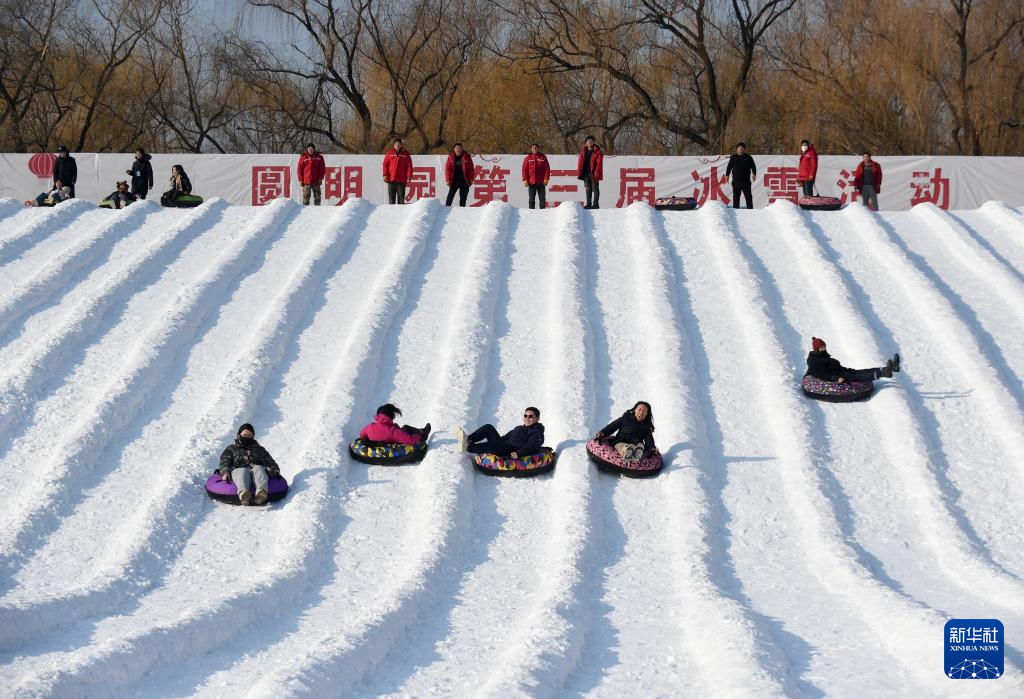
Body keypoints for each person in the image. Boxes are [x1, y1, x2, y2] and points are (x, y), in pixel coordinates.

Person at [218, 423, 281, 505]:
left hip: (256, 471)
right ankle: (244, 494)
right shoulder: (231, 449)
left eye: (249, 435)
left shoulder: (259, 449)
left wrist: (275, 469)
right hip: (239, 470)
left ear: (253, 436)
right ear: (238, 435)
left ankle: (261, 493)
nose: (246, 437)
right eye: (244, 435)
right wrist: (225, 471)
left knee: (259, 468)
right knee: (242, 470)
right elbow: (224, 460)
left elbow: (269, 460)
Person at [454, 407, 545, 459]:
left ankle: (468, 447)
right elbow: (506, 437)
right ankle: (467, 440)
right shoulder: (519, 428)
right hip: (504, 445)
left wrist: (518, 453)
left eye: (530, 416)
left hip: (512, 450)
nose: (527, 418)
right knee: (488, 427)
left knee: (492, 445)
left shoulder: (537, 433)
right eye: (525, 415)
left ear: (537, 419)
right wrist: (497, 441)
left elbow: (531, 446)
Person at [805, 337, 899, 384]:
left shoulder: (824, 356)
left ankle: (889, 368)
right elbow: (822, 374)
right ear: (816, 349)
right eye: (821, 348)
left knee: (860, 371)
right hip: (837, 376)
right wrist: (835, 378)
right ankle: (883, 373)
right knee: (856, 376)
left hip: (842, 371)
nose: (823, 349)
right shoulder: (814, 361)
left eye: (824, 347)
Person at [359, 403, 430, 444]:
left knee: (400, 428)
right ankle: (423, 432)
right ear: (391, 417)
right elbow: (410, 440)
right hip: (395, 441)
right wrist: (418, 436)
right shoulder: (392, 431)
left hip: (377, 444)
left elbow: (362, 434)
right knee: (406, 428)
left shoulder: (370, 427)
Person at [725, 142, 756, 209]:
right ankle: (735, 211)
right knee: (736, 198)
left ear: (744, 149)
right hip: (736, 182)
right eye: (739, 147)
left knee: (748, 197)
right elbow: (729, 167)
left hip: (746, 182)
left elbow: (753, 166)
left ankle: (750, 211)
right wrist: (727, 175)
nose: (740, 149)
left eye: (742, 147)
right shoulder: (733, 157)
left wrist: (754, 173)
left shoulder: (748, 157)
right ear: (737, 149)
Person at [383, 138, 413, 205]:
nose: (397, 145)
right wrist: (385, 175)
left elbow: (409, 166)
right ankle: (391, 214)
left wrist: (409, 176)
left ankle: (401, 214)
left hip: (401, 180)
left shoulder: (406, 154)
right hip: (391, 179)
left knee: (401, 200)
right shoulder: (389, 154)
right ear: (393, 145)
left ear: (401, 145)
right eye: (396, 143)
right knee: (391, 200)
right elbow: (385, 165)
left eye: (399, 143)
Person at [576, 135, 603, 209]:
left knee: (595, 188)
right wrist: (579, 171)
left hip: (594, 173)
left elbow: (599, 163)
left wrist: (597, 172)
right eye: (588, 141)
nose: (589, 142)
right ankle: (588, 204)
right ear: (586, 143)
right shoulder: (583, 151)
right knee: (588, 189)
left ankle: (595, 204)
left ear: (593, 142)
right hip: (585, 173)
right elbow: (580, 162)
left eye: (591, 140)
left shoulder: (597, 152)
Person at [522, 143, 550, 209]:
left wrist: (546, 178)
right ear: (531, 149)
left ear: (538, 148)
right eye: (533, 148)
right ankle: (531, 213)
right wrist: (525, 179)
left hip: (541, 182)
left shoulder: (543, 157)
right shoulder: (528, 158)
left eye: (535, 148)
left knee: (542, 199)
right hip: (531, 182)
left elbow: (547, 169)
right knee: (531, 199)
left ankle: (543, 213)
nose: (534, 149)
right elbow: (524, 169)